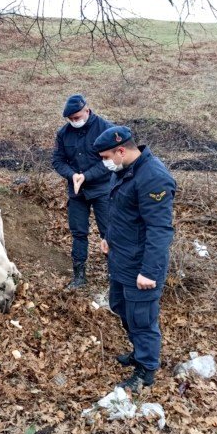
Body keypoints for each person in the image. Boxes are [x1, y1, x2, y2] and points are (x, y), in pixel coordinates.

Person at [93, 125, 176, 392]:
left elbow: (160, 229)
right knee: (120, 306)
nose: (104, 163)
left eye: (106, 157)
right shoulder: (124, 170)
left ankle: (146, 370)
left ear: (120, 151)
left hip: (141, 266)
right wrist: (107, 237)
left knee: (142, 319)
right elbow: (121, 212)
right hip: (121, 259)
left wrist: (149, 272)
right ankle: (139, 351)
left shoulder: (153, 178)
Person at [52, 94, 114, 289]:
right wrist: (72, 176)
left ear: (87, 110)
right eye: (70, 119)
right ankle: (79, 276)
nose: (74, 122)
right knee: (78, 233)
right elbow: (58, 160)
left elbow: (111, 161)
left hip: (103, 189)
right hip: (77, 192)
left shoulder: (106, 129)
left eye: (77, 118)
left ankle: (115, 274)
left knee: (109, 232)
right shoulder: (64, 133)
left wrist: (86, 176)